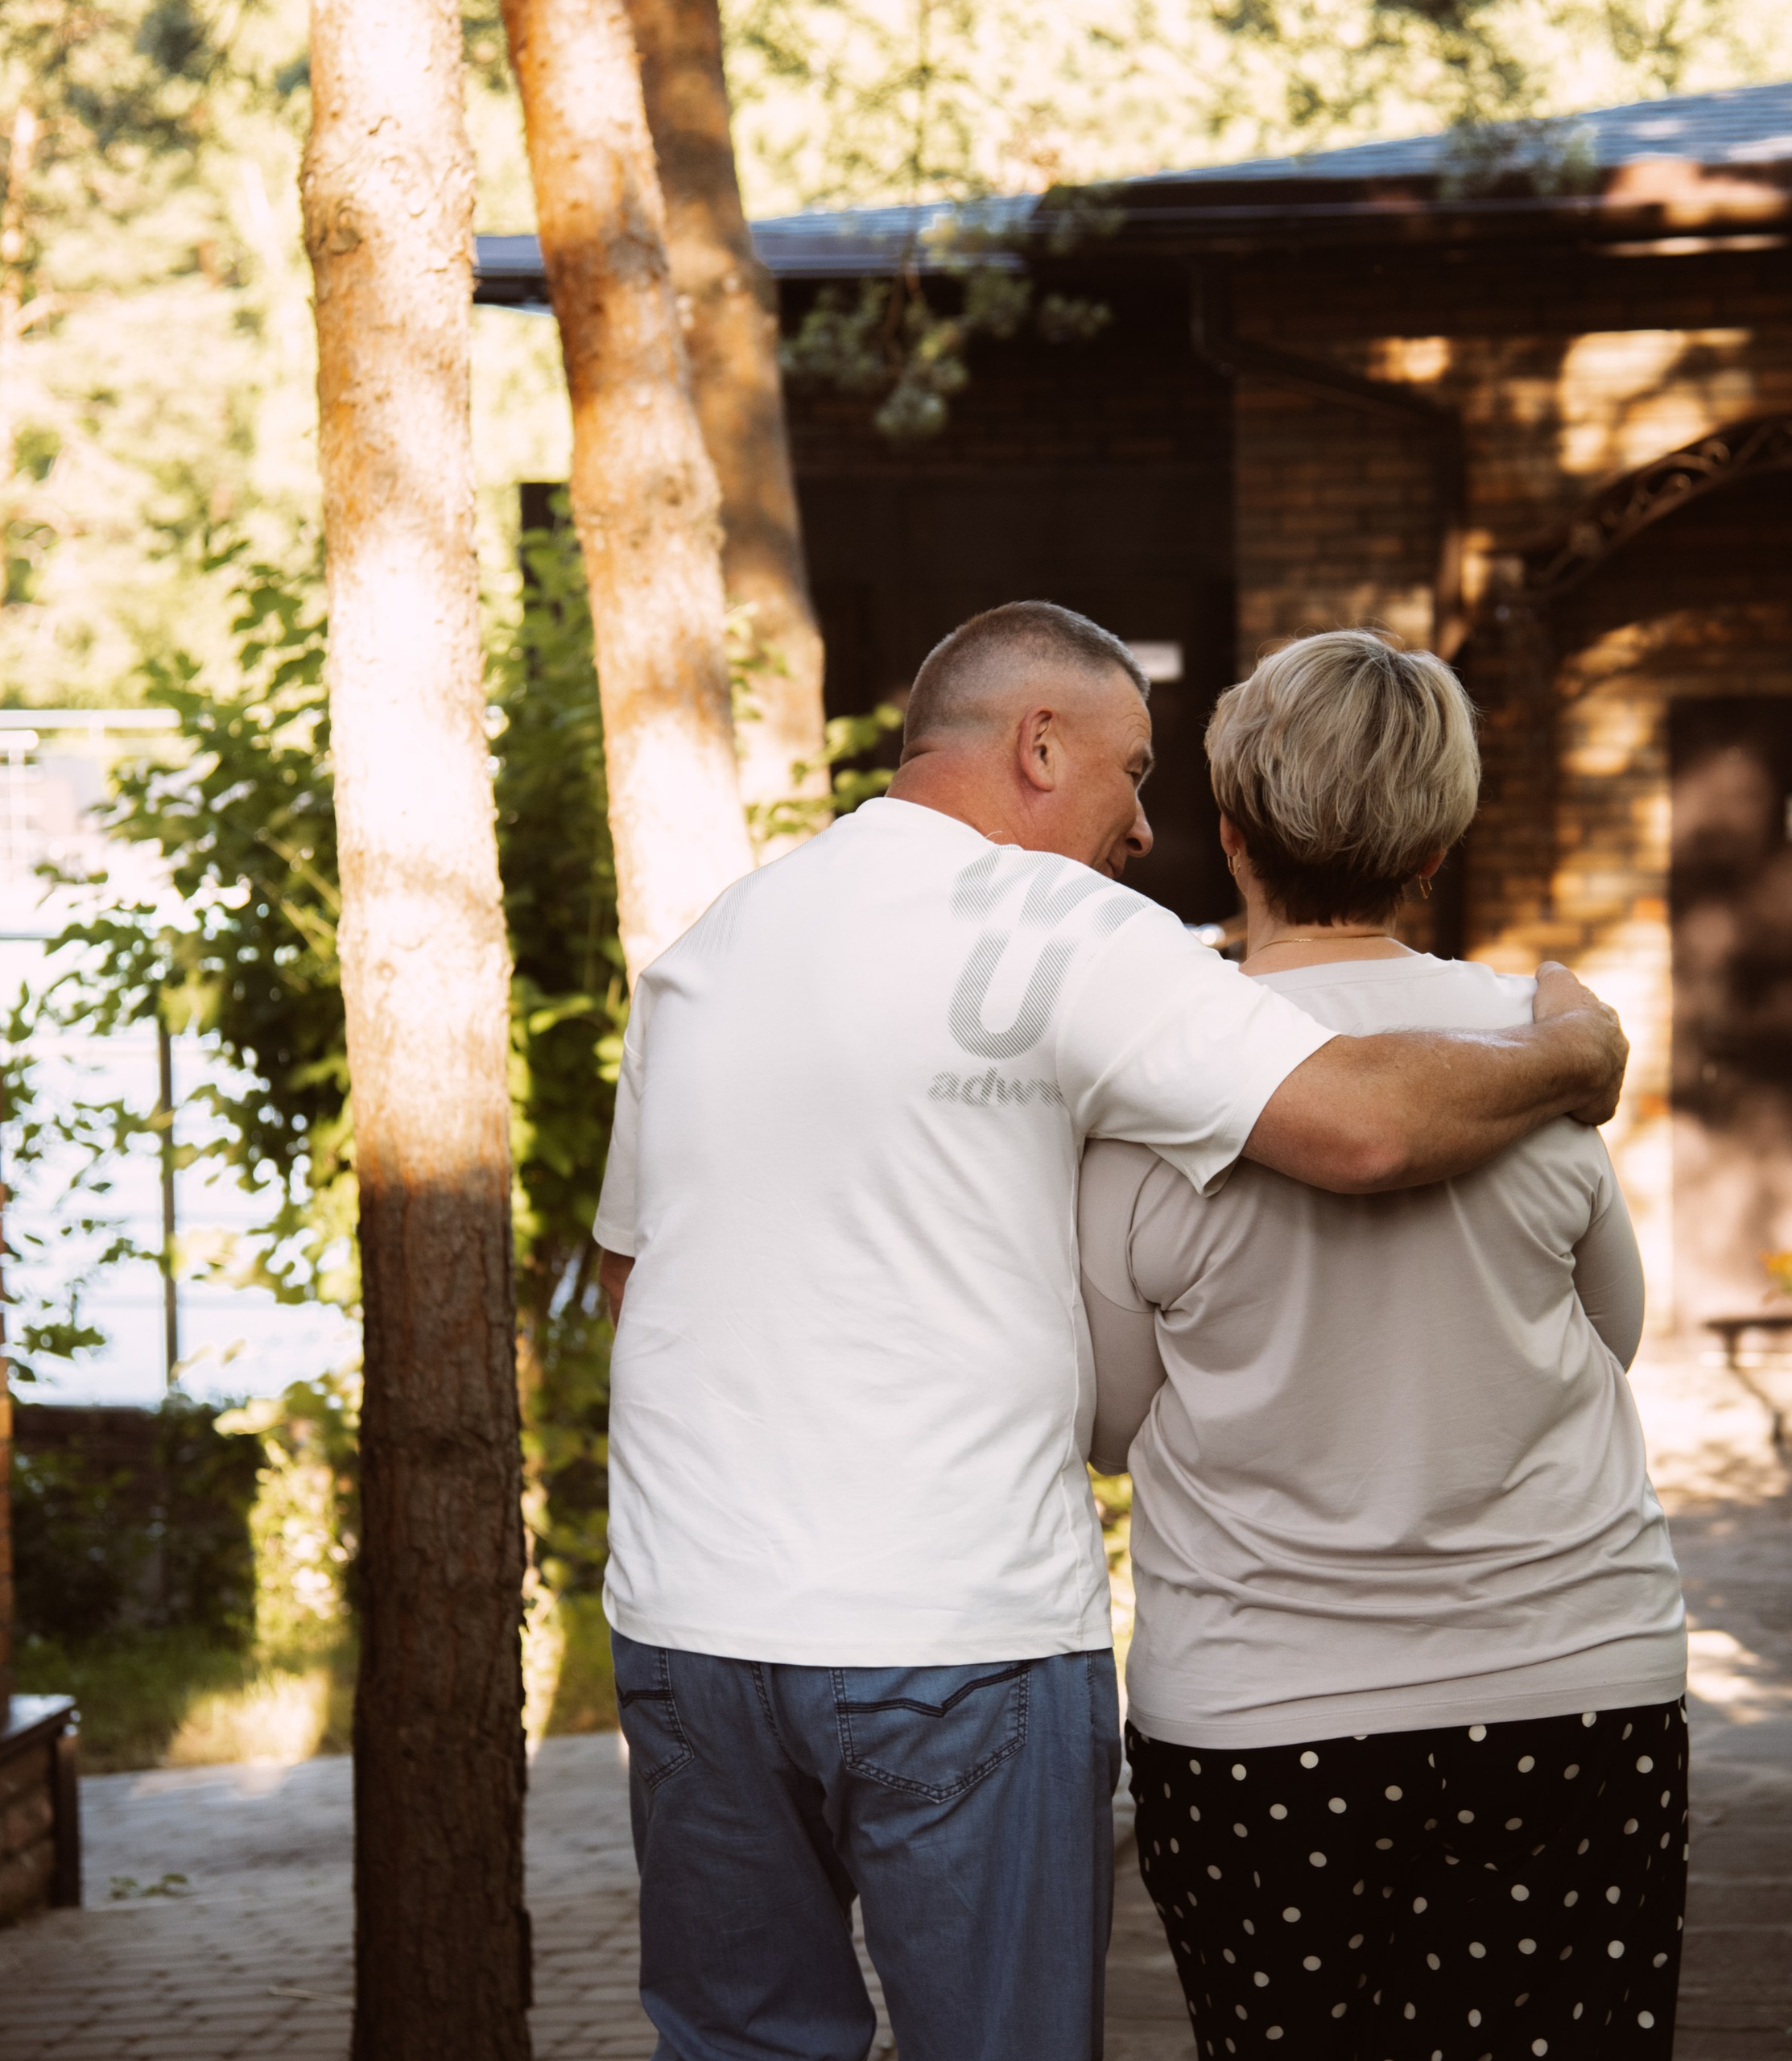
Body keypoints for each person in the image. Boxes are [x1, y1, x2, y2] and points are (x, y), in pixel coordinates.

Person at [592, 601, 1629, 2061]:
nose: (1145, 828)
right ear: (1038, 744)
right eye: (1132, 772)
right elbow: (1369, 1130)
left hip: (689, 1627)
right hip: (954, 1632)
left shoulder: (718, 939)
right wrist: (1572, 1049)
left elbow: (631, 1272)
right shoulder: (1057, 924)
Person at [1080, 628, 1687, 2061]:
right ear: (1434, 850)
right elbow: (1613, 1332)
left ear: (1234, 835)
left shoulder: (1160, 1076)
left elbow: (1108, 1422)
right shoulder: (1538, 1048)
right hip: (1573, 1682)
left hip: (1257, 1715)